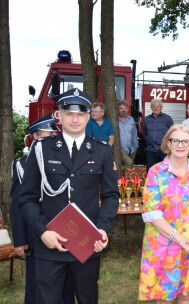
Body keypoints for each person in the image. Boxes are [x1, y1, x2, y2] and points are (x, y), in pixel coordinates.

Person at [18, 88, 119, 304]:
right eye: (69, 113)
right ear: (59, 116)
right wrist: (43, 232)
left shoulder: (101, 151)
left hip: (86, 244)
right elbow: (26, 197)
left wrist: (102, 228)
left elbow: (111, 195)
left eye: (81, 114)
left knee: (87, 298)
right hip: (49, 245)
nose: (75, 119)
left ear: (88, 116)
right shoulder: (41, 149)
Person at [138, 124, 189, 303]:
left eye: (185, 141)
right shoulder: (156, 172)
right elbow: (152, 214)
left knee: (187, 294)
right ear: (168, 144)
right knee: (165, 297)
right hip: (164, 245)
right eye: (175, 140)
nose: (180, 145)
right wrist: (182, 241)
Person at [10, 113, 59, 304]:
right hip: (35, 233)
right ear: (35, 138)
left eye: (54, 135)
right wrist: (20, 240)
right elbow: (17, 205)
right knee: (36, 284)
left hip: (60, 229)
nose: (53, 139)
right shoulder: (21, 166)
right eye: (48, 136)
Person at [144, 99, 174, 168]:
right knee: (151, 170)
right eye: (154, 106)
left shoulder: (167, 118)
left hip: (164, 150)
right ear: (151, 108)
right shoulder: (146, 119)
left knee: (165, 170)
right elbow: (145, 133)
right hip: (151, 150)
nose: (156, 108)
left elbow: (172, 133)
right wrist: (148, 141)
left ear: (161, 107)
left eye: (158, 106)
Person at [117, 100, 139, 167]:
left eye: (125, 108)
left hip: (132, 149)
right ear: (117, 109)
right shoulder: (114, 120)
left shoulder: (131, 119)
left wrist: (136, 147)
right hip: (121, 149)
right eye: (121, 108)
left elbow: (134, 133)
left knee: (128, 169)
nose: (124, 110)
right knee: (129, 164)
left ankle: (123, 177)